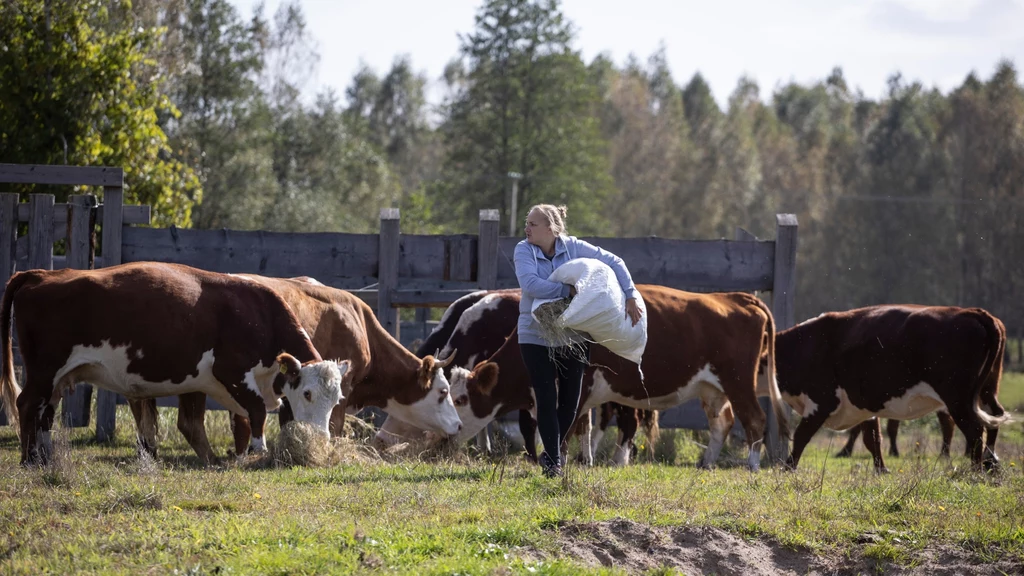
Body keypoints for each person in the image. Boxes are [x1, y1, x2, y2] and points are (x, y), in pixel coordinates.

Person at [514, 204, 642, 477]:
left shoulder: (574, 247)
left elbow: (615, 262)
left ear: (551, 228)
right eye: (527, 223)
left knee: (571, 401)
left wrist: (630, 295)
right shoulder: (524, 250)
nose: (527, 229)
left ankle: (553, 451)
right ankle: (553, 463)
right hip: (534, 334)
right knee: (546, 398)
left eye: (533, 224)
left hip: (573, 335)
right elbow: (530, 285)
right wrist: (569, 289)